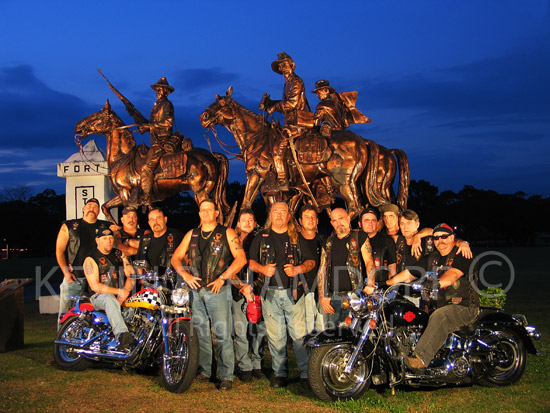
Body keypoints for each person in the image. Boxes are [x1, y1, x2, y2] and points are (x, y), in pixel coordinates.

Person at [171, 199, 248, 391]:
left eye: (209, 210)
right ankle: (206, 371)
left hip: (218, 290)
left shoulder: (227, 233)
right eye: (202, 210)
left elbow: (241, 259)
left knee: (222, 334)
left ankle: (226, 375)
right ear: (199, 214)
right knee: (202, 334)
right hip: (196, 291)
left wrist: (223, 278)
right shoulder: (192, 234)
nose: (205, 213)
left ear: (216, 213)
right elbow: (175, 257)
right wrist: (185, 274)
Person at [386, 223, 480, 371]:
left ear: (452, 238)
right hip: (438, 306)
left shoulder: (462, 254)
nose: (440, 240)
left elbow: (452, 275)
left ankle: (420, 359)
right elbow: (410, 273)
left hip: (465, 307)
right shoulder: (432, 258)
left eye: (444, 236)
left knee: (440, 315)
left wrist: (433, 284)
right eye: (436, 238)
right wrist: (387, 284)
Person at [248, 202, 315, 389]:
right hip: (270, 294)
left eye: (282, 212)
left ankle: (305, 373)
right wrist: (262, 268)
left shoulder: (297, 237)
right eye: (275, 211)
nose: (278, 215)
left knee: (299, 335)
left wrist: (298, 269)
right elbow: (251, 262)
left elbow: (311, 262)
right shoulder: (261, 236)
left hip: (293, 293)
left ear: (288, 216)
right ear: (270, 215)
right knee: (276, 336)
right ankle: (280, 373)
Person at [55, 198, 112, 328]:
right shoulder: (69, 226)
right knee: (66, 313)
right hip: (75, 277)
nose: (92, 208)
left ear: (98, 211)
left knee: (96, 314)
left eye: (95, 207)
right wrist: (66, 272)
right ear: (83, 209)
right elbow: (59, 251)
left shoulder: (106, 227)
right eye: (89, 205)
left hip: (97, 279)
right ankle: (61, 343)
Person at [318, 208, 375, 328]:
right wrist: (322, 297)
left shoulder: (360, 236)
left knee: (355, 336)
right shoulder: (327, 242)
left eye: (341, 218)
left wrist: (370, 283)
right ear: (332, 223)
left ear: (348, 218)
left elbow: (369, 261)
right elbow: (322, 270)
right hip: (334, 298)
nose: (338, 223)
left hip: (356, 296)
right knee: (333, 335)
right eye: (334, 220)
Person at [262, 52, 309, 190]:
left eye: (284, 65)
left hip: (298, 123)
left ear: (291, 65)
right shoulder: (287, 83)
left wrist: (274, 107)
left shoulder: (296, 82)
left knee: (277, 149)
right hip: (290, 122)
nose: (282, 68)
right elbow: (285, 102)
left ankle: (282, 181)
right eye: (280, 66)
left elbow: (292, 104)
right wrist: (270, 104)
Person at [83, 227, 135, 350]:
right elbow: (94, 286)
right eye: (105, 238)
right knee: (108, 298)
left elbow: (131, 275)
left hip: (117, 295)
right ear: (97, 240)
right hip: (95, 297)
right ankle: (122, 335)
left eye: (111, 238)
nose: (108, 241)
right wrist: (119, 292)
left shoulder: (118, 254)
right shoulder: (91, 259)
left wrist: (124, 294)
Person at [232, 208, 266, 381]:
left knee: (258, 331)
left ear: (254, 223)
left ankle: (257, 365)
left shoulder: (261, 241)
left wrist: (252, 287)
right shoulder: (231, 241)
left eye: (250, 220)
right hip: (237, 291)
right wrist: (241, 286)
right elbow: (226, 268)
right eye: (243, 219)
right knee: (240, 330)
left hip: (257, 291)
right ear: (238, 223)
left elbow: (264, 267)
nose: (247, 222)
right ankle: (244, 366)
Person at [138, 77, 176, 205]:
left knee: (146, 167)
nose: (157, 91)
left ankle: (146, 197)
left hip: (162, 141)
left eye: (160, 89)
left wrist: (149, 126)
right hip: (154, 141)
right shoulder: (156, 106)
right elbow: (152, 124)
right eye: (157, 89)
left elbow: (167, 122)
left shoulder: (167, 105)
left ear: (166, 91)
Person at [298, 204, 326, 335]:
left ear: (317, 220)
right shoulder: (294, 241)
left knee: (322, 330)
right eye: (306, 217)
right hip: (302, 292)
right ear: (300, 221)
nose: (310, 220)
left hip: (322, 291)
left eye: (313, 217)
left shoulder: (324, 240)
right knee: (305, 331)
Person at [135, 208, 183, 274]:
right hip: (151, 281)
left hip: (172, 280)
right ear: (149, 223)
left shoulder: (176, 235)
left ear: (165, 220)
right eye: (152, 220)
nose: (156, 223)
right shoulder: (145, 239)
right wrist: (143, 282)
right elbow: (139, 263)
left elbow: (186, 258)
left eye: (158, 218)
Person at [358, 207, 397, 287]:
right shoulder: (354, 240)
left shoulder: (387, 240)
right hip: (358, 288)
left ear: (378, 223)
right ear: (360, 224)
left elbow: (392, 268)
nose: (370, 223)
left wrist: (390, 288)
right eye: (366, 220)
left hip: (380, 287)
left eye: (373, 220)